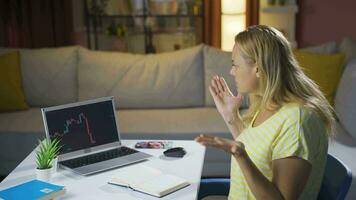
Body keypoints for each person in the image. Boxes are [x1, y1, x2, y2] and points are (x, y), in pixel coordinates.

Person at [195, 25, 335, 200]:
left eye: (235, 65)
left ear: (258, 69)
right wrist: (231, 116)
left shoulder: (297, 121)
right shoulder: (268, 104)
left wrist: (240, 156)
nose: (232, 72)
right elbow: (257, 153)